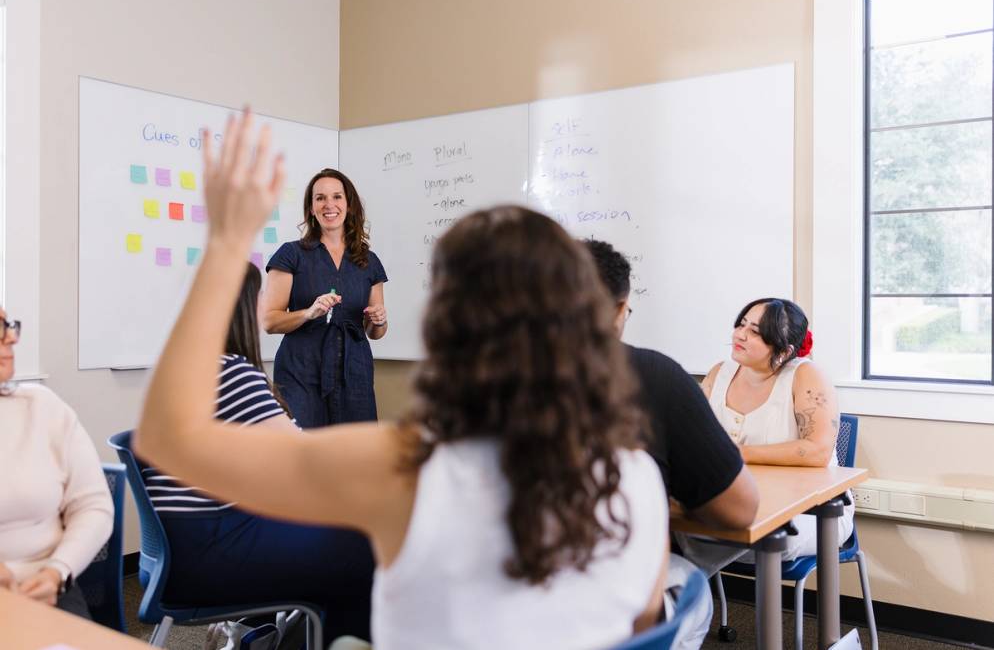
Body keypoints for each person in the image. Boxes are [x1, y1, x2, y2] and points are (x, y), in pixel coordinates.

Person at [135, 110, 668, 650]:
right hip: (307, 374)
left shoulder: (399, 471)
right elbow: (644, 630)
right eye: (320, 198)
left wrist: (227, 241)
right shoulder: (641, 478)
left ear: (441, 326)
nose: (329, 205)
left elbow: (165, 439)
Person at [139, 263, 375, 642]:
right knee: (361, 545)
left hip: (177, 553)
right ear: (243, 308)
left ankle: (263, 633)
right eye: (259, 296)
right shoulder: (230, 372)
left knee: (330, 539)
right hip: (207, 557)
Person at [584, 239, 758, 650]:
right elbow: (738, 509)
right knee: (689, 583)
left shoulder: (472, 382)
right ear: (618, 310)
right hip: (599, 604)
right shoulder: (655, 376)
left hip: (485, 604)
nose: (745, 335)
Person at [685, 297, 853, 571]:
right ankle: (675, 596)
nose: (740, 334)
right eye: (742, 325)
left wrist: (735, 454)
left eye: (755, 332)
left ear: (784, 351)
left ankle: (679, 594)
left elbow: (818, 451)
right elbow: (694, 437)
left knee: (737, 533)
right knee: (670, 523)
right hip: (739, 499)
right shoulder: (719, 373)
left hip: (811, 513)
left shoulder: (806, 376)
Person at [0, 307, 113, 618]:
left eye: (8, 326)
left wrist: (56, 573)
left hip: (48, 592)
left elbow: (94, 506)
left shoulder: (43, 407)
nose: (10, 338)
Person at [261, 168, 388, 427]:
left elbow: (374, 332)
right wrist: (309, 313)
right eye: (320, 198)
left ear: (349, 205)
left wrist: (379, 320)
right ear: (311, 208)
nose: (329, 205)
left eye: (337, 197)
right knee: (301, 455)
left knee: (354, 455)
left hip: (354, 373)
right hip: (301, 373)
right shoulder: (291, 254)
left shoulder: (368, 260)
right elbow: (270, 321)